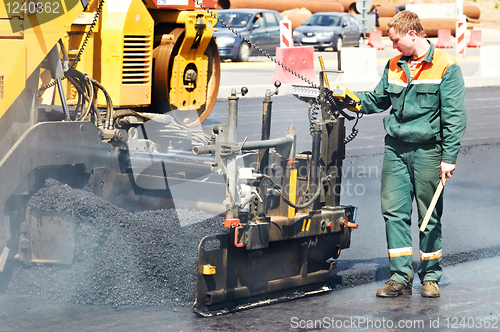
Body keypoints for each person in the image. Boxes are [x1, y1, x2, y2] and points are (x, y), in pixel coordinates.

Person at [354, 10, 467, 298]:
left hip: (429, 152)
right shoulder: (394, 64)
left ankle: (430, 276)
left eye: (396, 40)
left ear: (412, 34)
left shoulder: (446, 66)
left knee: (429, 216)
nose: (393, 46)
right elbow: (378, 99)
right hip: (395, 149)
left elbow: (454, 117)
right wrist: (351, 100)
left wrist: (448, 157)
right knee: (394, 213)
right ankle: (400, 276)